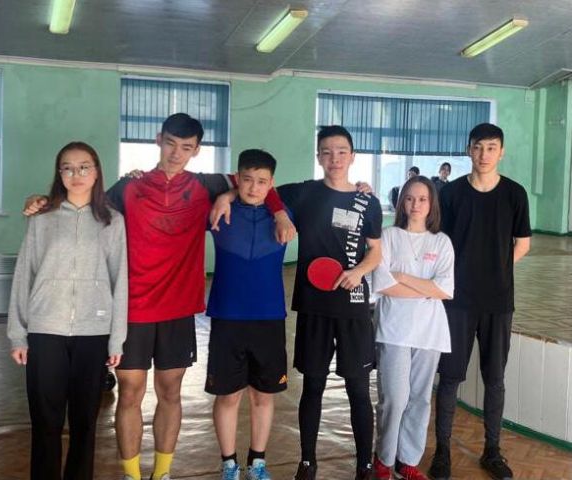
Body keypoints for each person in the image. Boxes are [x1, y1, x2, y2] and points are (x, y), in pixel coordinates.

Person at [23, 113, 295, 480]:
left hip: (178, 310)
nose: (176, 153)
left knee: (170, 393)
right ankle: (132, 475)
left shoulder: (205, 185)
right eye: (170, 143)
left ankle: (161, 473)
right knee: (130, 393)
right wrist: (46, 201)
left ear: (196, 150)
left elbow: (256, 182)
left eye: (186, 147)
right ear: (158, 140)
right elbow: (87, 204)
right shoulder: (130, 186)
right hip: (133, 308)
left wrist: (271, 210)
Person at [217, 125, 381, 480]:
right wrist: (229, 196)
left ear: (352, 156)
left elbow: (376, 251)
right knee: (314, 386)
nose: (335, 158)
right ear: (319, 157)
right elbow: (260, 187)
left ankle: (365, 465)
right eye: (327, 152)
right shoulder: (304, 193)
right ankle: (307, 462)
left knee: (358, 388)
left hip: (353, 307)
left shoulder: (368, 202)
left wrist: (360, 271)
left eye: (341, 151)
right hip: (313, 307)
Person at [8, 141, 128, 480]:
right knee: (45, 422)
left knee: (85, 424)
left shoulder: (112, 221)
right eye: (68, 168)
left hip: (93, 333)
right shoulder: (41, 217)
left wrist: (116, 340)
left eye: (84, 166)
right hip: (45, 331)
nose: (77, 174)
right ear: (59, 174)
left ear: (97, 172)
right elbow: (25, 274)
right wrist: (18, 334)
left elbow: (120, 280)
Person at [428, 123, 531, 480]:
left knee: (495, 379)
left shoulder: (515, 194)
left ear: (501, 152)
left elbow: (522, 244)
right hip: (456, 301)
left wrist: (497, 269)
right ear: (468, 150)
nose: (484, 154)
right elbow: (438, 243)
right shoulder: (452, 193)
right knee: (450, 377)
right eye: (478, 147)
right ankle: (442, 451)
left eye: (491, 147)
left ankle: (492, 451)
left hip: (498, 302)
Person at [206, 149, 291, 480]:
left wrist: (362, 189)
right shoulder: (218, 210)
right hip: (227, 318)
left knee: (263, 396)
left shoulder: (285, 214)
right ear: (237, 179)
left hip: (269, 319)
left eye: (262, 181)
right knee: (228, 396)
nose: (254, 187)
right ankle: (229, 463)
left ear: (272, 184)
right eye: (247, 180)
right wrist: (226, 195)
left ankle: (257, 463)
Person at [371, 176, 454, 480]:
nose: (415, 204)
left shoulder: (441, 242)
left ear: (431, 204)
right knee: (394, 398)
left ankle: (407, 459)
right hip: (394, 329)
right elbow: (383, 284)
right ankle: (384, 458)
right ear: (401, 202)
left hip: (429, 332)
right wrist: (426, 288)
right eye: (409, 198)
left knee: (419, 398)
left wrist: (403, 277)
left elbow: (445, 290)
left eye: (422, 199)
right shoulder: (388, 236)